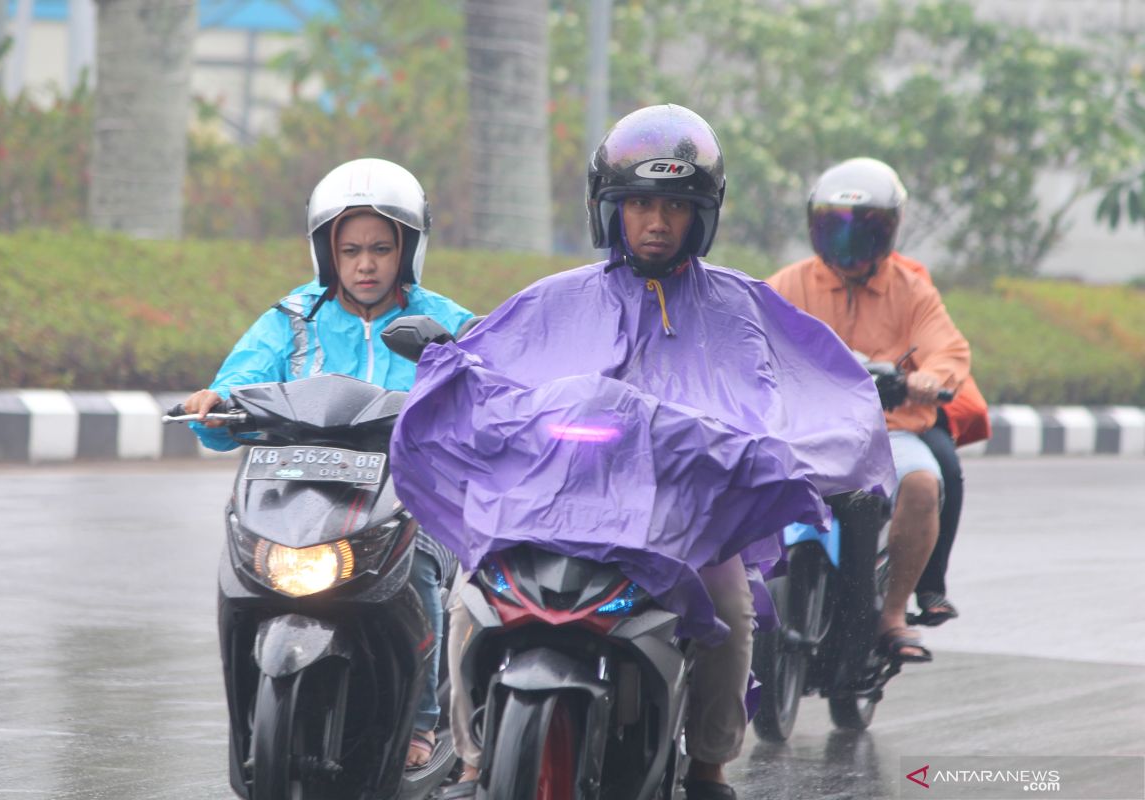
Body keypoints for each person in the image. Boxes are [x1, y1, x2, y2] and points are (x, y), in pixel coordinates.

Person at [389, 106, 894, 800]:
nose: (657, 222)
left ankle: (709, 768)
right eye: (640, 205)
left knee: (731, 605)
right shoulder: (553, 299)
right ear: (610, 210)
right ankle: (474, 762)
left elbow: (809, 391)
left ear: (701, 216)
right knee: (469, 593)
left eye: (675, 207)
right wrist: (448, 366)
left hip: (681, 519)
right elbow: (487, 370)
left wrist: (783, 450)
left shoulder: (741, 311)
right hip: (552, 504)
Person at [181, 157, 474, 769]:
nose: (365, 264)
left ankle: (422, 722)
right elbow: (239, 383)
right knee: (240, 564)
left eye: (380, 248)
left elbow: (495, 376)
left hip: (412, 500)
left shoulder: (444, 322)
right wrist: (215, 403)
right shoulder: (290, 321)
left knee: (419, 570)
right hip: (302, 501)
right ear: (326, 253)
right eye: (349, 250)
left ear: (408, 250)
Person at [767, 157, 972, 663]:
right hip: (805, 430)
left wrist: (930, 378)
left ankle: (893, 614)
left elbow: (948, 349)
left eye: (862, 231)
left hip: (888, 431)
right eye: (834, 229)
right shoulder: (787, 285)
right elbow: (745, 338)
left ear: (888, 232)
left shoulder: (912, 289)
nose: (847, 245)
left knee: (924, 482)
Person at [894, 253, 992, 627]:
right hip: (839, 408)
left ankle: (930, 584)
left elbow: (941, 346)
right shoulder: (805, 283)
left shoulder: (910, 280)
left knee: (944, 470)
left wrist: (929, 377)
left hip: (910, 408)